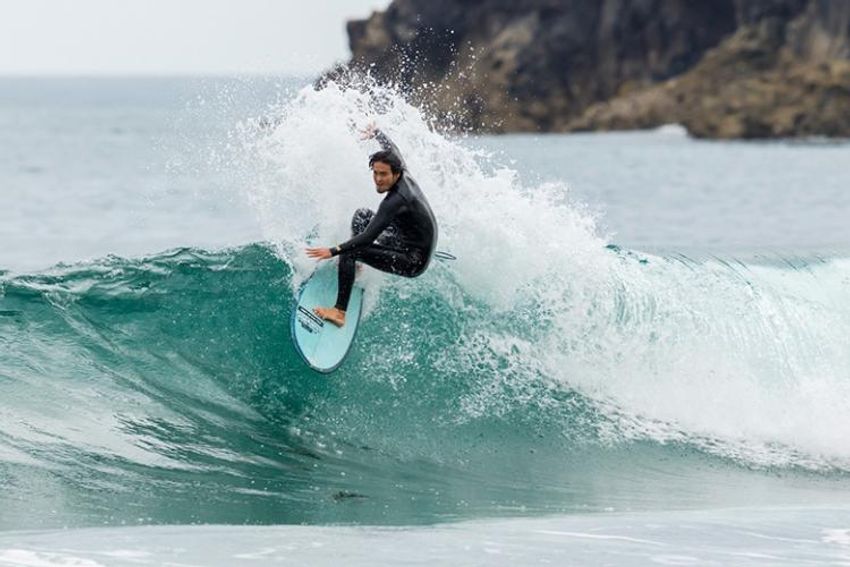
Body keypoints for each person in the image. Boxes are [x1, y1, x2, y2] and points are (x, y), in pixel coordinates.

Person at [305, 125, 438, 327]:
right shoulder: (401, 169)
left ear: (396, 173)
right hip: (407, 239)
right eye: (375, 173)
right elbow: (392, 148)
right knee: (362, 215)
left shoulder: (396, 200)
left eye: (383, 174)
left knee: (348, 252)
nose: (378, 179)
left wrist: (333, 251)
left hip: (412, 260)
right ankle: (356, 266)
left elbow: (367, 238)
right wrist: (377, 133)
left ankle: (339, 312)